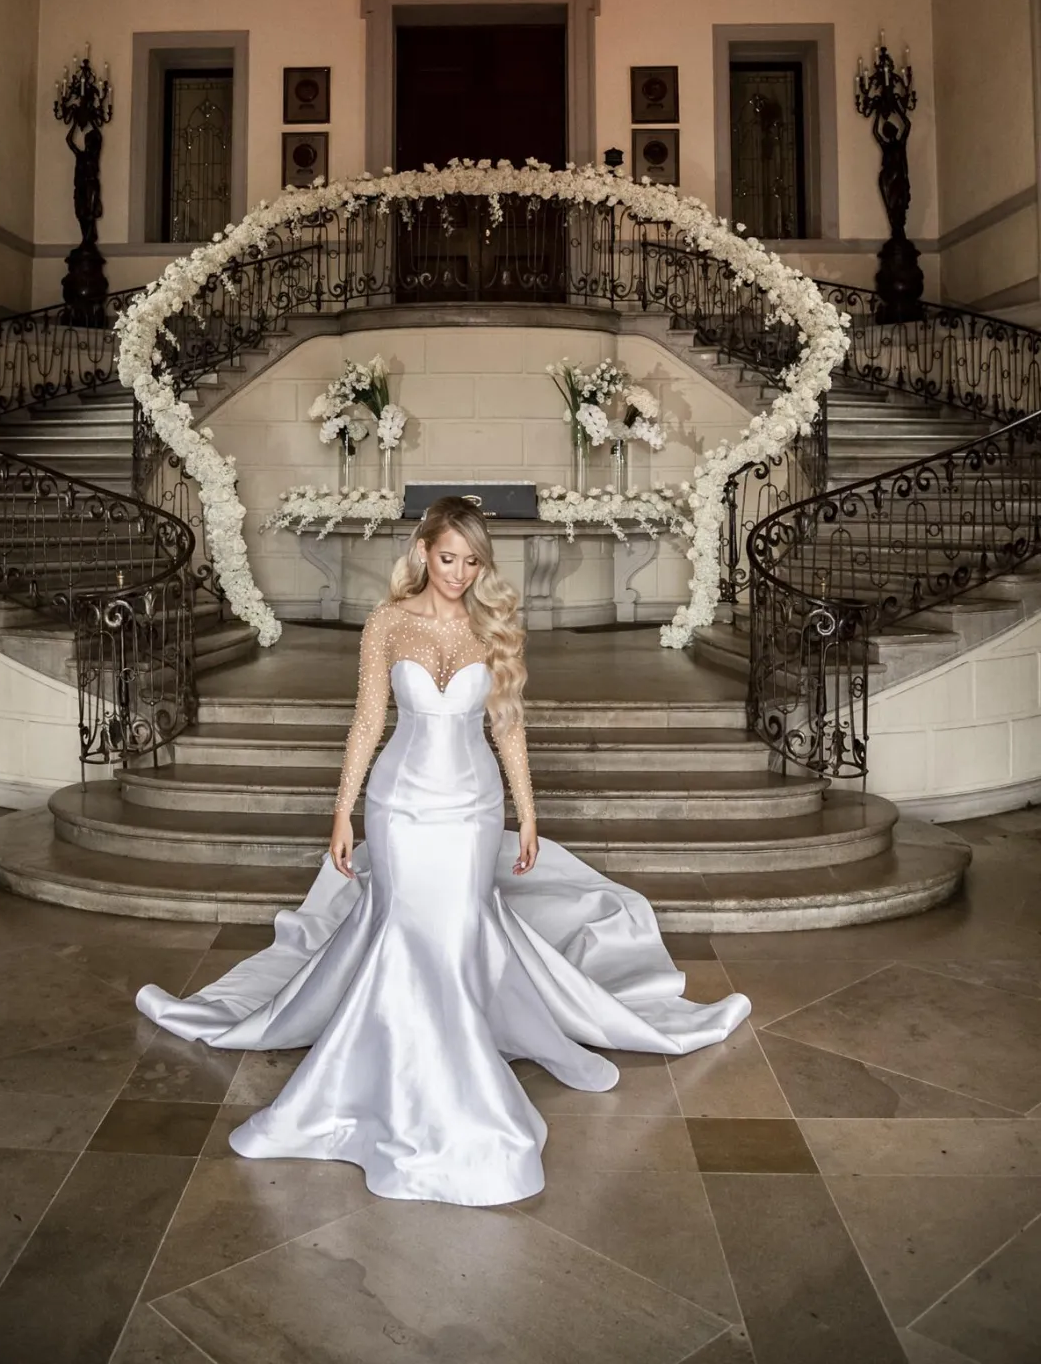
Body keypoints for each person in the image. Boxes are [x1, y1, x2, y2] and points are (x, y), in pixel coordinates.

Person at [135, 496, 750, 1205]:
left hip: (471, 810)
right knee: (399, 929)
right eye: (448, 555)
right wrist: (343, 813)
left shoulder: (494, 627)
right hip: (399, 806)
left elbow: (508, 727)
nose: (458, 572)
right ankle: (399, 1076)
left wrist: (527, 814)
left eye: (471, 560)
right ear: (423, 549)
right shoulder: (387, 623)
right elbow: (367, 721)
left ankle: (459, 1075)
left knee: (457, 933)